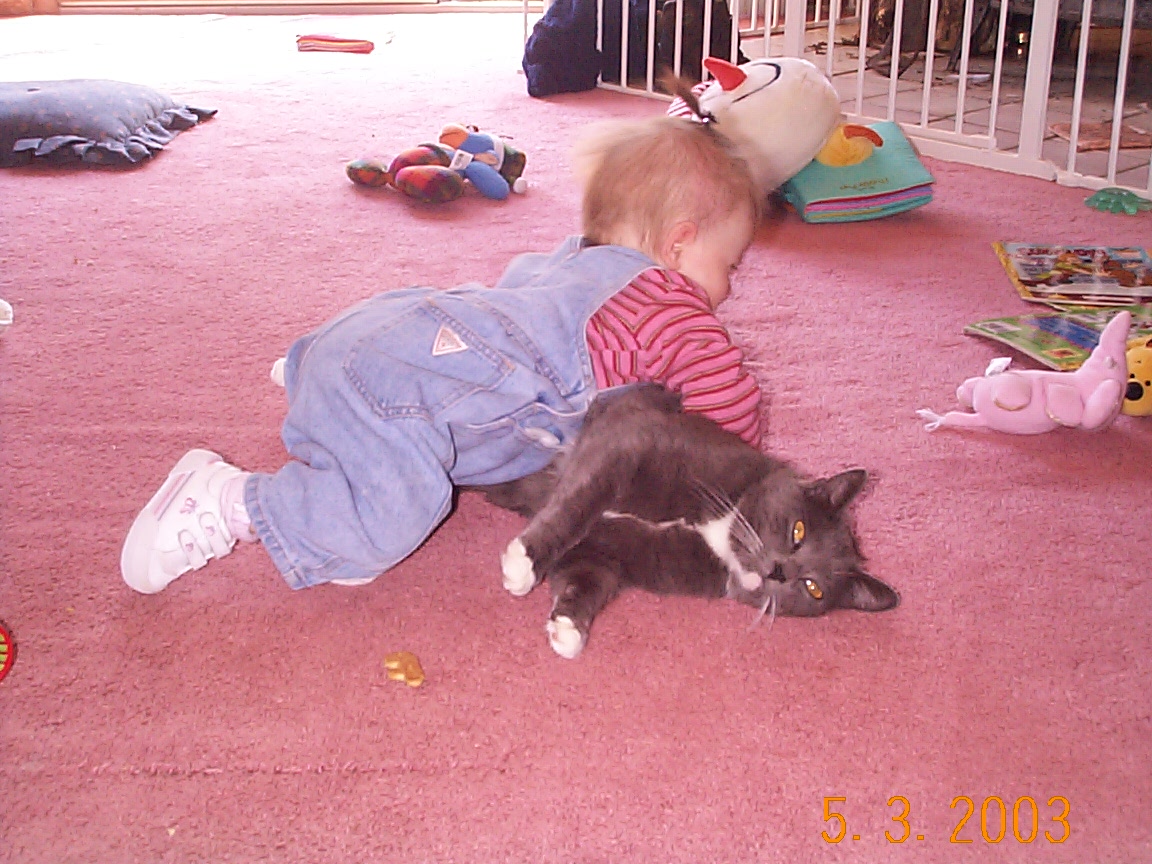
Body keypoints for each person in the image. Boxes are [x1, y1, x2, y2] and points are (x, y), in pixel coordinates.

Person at [120, 115, 765, 595]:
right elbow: (730, 421)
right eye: (729, 265)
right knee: (385, 524)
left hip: (375, 333)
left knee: (436, 371)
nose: (729, 288)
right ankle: (229, 501)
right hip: (395, 395)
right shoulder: (673, 305)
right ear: (679, 246)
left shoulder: (568, 264)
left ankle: (307, 381)